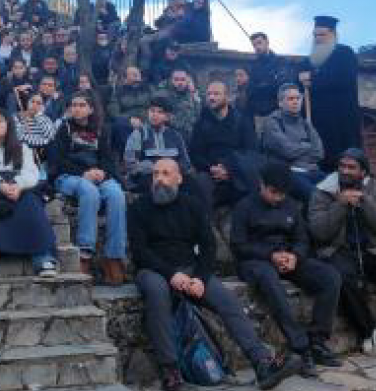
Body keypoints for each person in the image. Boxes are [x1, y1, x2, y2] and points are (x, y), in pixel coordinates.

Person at [130, 158, 303, 391]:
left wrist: (200, 278)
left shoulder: (192, 205)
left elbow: (208, 247)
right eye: (156, 174)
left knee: (227, 301)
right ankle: (171, 375)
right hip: (154, 270)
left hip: (191, 271)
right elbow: (140, 252)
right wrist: (172, 275)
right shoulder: (139, 207)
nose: (159, 179)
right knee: (157, 292)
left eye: (166, 173)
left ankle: (262, 363)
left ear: (179, 178)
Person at [232, 162, 342, 377]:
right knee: (269, 280)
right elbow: (238, 245)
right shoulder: (244, 207)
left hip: (287, 258)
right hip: (255, 261)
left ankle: (317, 341)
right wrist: (270, 255)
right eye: (273, 192)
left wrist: (295, 256)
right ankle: (300, 348)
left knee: (330, 277)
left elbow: (302, 238)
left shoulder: (291, 205)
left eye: (281, 194)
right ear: (261, 185)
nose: (277, 198)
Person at [310, 149, 376, 359]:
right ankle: (369, 330)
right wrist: (340, 204)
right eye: (342, 166)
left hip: (375, 249)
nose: (345, 171)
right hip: (339, 250)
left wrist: (365, 201)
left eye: (351, 167)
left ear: (363, 171)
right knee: (340, 277)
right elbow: (319, 232)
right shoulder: (322, 192)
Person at [0, 110, 58, 279]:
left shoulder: (22, 148)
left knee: (31, 202)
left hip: (17, 189)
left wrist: (18, 186)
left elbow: (32, 173)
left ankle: (43, 258)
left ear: (9, 125)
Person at [48, 92, 128, 284]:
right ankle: (85, 254)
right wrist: (84, 173)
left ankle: (114, 257)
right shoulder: (64, 129)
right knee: (89, 191)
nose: (76, 108)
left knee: (116, 194)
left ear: (91, 109)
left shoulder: (102, 130)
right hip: (69, 177)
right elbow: (57, 161)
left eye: (82, 105)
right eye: (74, 105)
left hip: (97, 174)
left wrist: (103, 174)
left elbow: (108, 158)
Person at [299, 16, 361, 172]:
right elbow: (298, 81)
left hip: (341, 121)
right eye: (315, 35)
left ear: (333, 34)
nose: (318, 38)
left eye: (322, 34)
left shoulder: (345, 53)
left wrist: (312, 78)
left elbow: (344, 78)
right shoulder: (308, 61)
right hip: (318, 122)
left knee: (344, 162)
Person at [189, 81, 259, 208]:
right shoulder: (201, 123)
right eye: (209, 94)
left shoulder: (242, 121)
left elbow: (251, 151)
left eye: (216, 94)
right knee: (200, 183)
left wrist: (229, 169)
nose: (211, 97)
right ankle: (208, 224)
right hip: (210, 170)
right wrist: (211, 168)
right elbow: (195, 153)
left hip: (237, 168)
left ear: (227, 97)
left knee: (251, 180)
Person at [262, 84, 325, 207]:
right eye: (290, 99)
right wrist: (307, 146)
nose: (295, 102)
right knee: (315, 196)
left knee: (337, 187)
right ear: (280, 103)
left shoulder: (305, 123)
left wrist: (298, 148)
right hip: (288, 172)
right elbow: (287, 151)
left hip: (312, 170)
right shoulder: (272, 122)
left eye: (298, 98)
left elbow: (319, 153)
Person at [124, 96, 192, 194]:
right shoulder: (138, 134)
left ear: (167, 116)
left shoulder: (175, 135)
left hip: (173, 175)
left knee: (193, 184)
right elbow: (130, 165)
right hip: (147, 177)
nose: (154, 115)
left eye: (160, 112)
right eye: (152, 111)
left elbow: (185, 162)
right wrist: (155, 169)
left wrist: (170, 171)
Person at [246, 33, 296, 120]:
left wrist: (263, 86)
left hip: (278, 113)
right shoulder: (254, 66)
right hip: (259, 115)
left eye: (259, 43)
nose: (257, 47)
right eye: (254, 45)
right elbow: (250, 89)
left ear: (267, 42)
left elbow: (283, 86)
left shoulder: (281, 62)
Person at [108, 65, 151, 153]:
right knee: (118, 124)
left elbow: (156, 104)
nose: (137, 76)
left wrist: (146, 118)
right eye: (134, 75)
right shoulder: (119, 92)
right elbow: (113, 111)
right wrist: (129, 119)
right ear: (125, 78)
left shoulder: (148, 88)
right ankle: (127, 155)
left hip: (147, 119)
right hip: (128, 121)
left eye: (138, 74)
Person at [158, 68, 200, 141]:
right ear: (171, 80)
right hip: (170, 137)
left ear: (188, 81)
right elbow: (163, 117)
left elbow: (198, 115)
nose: (180, 82)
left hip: (191, 137)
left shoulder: (192, 95)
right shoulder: (163, 95)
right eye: (176, 79)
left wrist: (194, 94)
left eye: (183, 79)